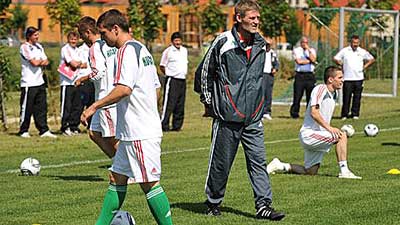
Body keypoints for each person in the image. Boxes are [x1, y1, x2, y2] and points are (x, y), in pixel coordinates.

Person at [194, 0, 285, 220]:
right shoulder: (223, 42)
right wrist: (210, 103)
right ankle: (213, 201)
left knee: (258, 163)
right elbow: (204, 73)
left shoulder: (261, 45)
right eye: (252, 18)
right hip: (227, 116)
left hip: (253, 117)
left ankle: (263, 206)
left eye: (258, 18)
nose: (256, 22)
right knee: (221, 164)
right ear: (239, 18)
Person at [80, 9, 173, 225]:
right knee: (116, 178)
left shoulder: (126, 51)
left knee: (149, 183)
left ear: (115, 29)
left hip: (138, 131)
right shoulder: (142, 49)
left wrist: (95, 106)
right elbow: (155, 87)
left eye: (103, 33)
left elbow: (124, 89)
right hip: (133, 130)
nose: (102, 38)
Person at [267, 66, 362, 179]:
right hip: (309, 134)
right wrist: (330, 128)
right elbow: (314, 113)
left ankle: (280, 165)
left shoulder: (334, 94)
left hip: (318, 135)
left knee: (310, 171)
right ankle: (344, 171)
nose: (342, 80)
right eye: (340, 77)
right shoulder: (320, 89)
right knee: (341, 136)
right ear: (330, 79)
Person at [76, 16, 118, 158]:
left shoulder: (95, 48)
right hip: (112, 95)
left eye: (82, 36)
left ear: (88, 32)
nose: (82, 39)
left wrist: (84, 78)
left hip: (106, 97)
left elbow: (99, 72)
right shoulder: (109, 44)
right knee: (94, 133)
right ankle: (119, 165)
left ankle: (129, 168)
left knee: (112, 137)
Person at [18, 26, 57, 138]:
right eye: (35, 35)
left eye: (37, 35)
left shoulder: (39, 47)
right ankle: (23, 130)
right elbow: (34, 63)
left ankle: (43, 130)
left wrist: (40, 62)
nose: (37, 37)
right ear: (29, 36)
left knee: (41, 107)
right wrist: (40, 62)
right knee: (27, 107)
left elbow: (46, 61)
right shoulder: (24, 47)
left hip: (40, 82)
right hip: (28, 83)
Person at [333, 35, 375, 120]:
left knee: (357, 97)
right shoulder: (345, 51)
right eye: (354, 43)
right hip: (347, 78)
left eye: (357, 43)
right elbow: (335, 58)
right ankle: (344, 114)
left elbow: (372, 59)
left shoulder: (362, 51)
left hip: (359, 78)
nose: (355, 44)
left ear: (359, 43)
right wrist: (341, 64)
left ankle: (355, 114)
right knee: (346, 97)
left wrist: (364, 67)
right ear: (351, 42)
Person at [59, 31, 87, 136]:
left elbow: (84, 64)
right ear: (68, 39)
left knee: (76, 106)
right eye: (72, 39)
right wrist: (77, 63)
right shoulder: (65, 49)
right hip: (67, 81)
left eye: (75, 39)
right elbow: (73, 64)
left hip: (76, 81)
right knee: (66, 106)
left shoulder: (77, 50)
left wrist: (78, 64)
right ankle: (64, 127)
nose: (74, 41)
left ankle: (73, 126)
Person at [160, 32, 188, 132]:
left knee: (180, 104)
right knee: (169, 103)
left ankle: (177, 126)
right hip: (172, 80)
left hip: (182, 80)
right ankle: (164, 124)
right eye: (176, 41)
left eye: (179, 40)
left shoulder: (184, 50)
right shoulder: (168, 51)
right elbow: (162, 65)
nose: (178, 42)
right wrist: (168, 74)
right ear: (172, 41)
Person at [290, 36, 317, 119]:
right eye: (303, 42)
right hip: (300, 75)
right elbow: (299, 61)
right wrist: (310, 62)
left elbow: (314, 58)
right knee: (297, 95)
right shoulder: (297, 50)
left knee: (310, 96)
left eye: (306, 42)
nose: (304, 44)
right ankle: (295, 113)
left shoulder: (311, 50)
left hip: (310, 75)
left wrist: (308, 50)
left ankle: (309, 113)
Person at [76, 42, 95, 128]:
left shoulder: (96, 48)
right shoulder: (80, 50)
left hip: (93, 79)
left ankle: (91, 124)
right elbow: (77, 64)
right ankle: (74, 126)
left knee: (92, 102)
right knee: (80, 104)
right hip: (83, 79)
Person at [262, 38, 279, 121]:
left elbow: (276, 64)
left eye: (269, 45)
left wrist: (275, 68)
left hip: (269, 75)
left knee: (268, 94)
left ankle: (267, 112)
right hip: (261, 75)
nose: (267, 47)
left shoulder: (273, 53)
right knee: (261, 94)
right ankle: (260, 113)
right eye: (266, 45)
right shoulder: (261, 53)